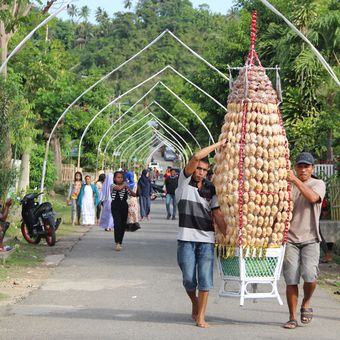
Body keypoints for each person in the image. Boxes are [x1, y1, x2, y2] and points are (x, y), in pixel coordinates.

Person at [175, 140, 227, 328]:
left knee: (205, 279)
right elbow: (196, 156)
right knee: (189, 279)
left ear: (208, 172)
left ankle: (201, 316)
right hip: (186, 240)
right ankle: (195, 303)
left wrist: (227, 234)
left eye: (204, 170)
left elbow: (217, 213)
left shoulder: (210, 188)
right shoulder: (184, 181)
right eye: (198, 169)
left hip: (206, 240)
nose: (200, 172)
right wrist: (219, 144)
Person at [283, 152, 326, 330]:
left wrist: (295, 181)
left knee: (310, 276)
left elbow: (313, 198)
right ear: (295, 167)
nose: (303, 169)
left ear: (312, 168)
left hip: (311, 238)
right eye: (300, 166)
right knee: (291, 279)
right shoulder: (287, 185)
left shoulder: (318, 184)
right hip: (290, 239)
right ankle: (292, 317)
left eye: (306, 166)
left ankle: (306, 301)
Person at [111, 171, 137, 251]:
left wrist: (128, 187)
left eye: (121, 177)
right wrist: (124, 185)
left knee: (122, 225)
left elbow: (134, 194)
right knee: (117, 224)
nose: (120, 179)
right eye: (118, 177)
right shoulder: (112, 185)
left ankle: (120, 242)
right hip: (115, 207)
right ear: (114, 178)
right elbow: (118, 188)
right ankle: (117, 242)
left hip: (124, 207)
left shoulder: (125, 187)